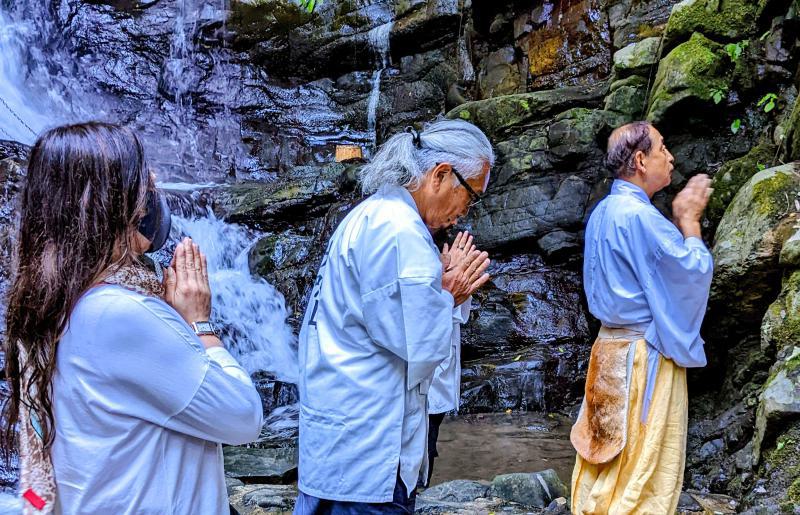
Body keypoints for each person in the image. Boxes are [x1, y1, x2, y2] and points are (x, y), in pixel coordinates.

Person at [1, 122, 264, 514]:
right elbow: (243, 417)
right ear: (107, 204)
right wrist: (199, 324)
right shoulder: (120, 314)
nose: (153, 183)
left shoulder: (53, 301)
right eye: (141, 176)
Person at [294, 119, 495, 514]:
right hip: (369, 450)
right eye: (470, 197)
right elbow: (418, 346)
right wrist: (450, 295)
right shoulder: (401, 231)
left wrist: (441, 291)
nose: (464, 213)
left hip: (339, 433)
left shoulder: (368, 215)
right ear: (441, 175)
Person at [570, 121, 714, 514]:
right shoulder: (641, 217)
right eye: (662, 148)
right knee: (641, 461)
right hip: (640, 355)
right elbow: (688, 273)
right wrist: (689, 222)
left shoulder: (603, 212)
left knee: (606, 449)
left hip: (608, 347)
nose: (670, 157)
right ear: (639, 159)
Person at [420, 231, 476, 489]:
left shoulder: (422, 242)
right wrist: (447, 286)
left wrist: (452, 278)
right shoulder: (401, 235)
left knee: (429, 438)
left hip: (437, 376)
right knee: (423, 441)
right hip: (422, 379)